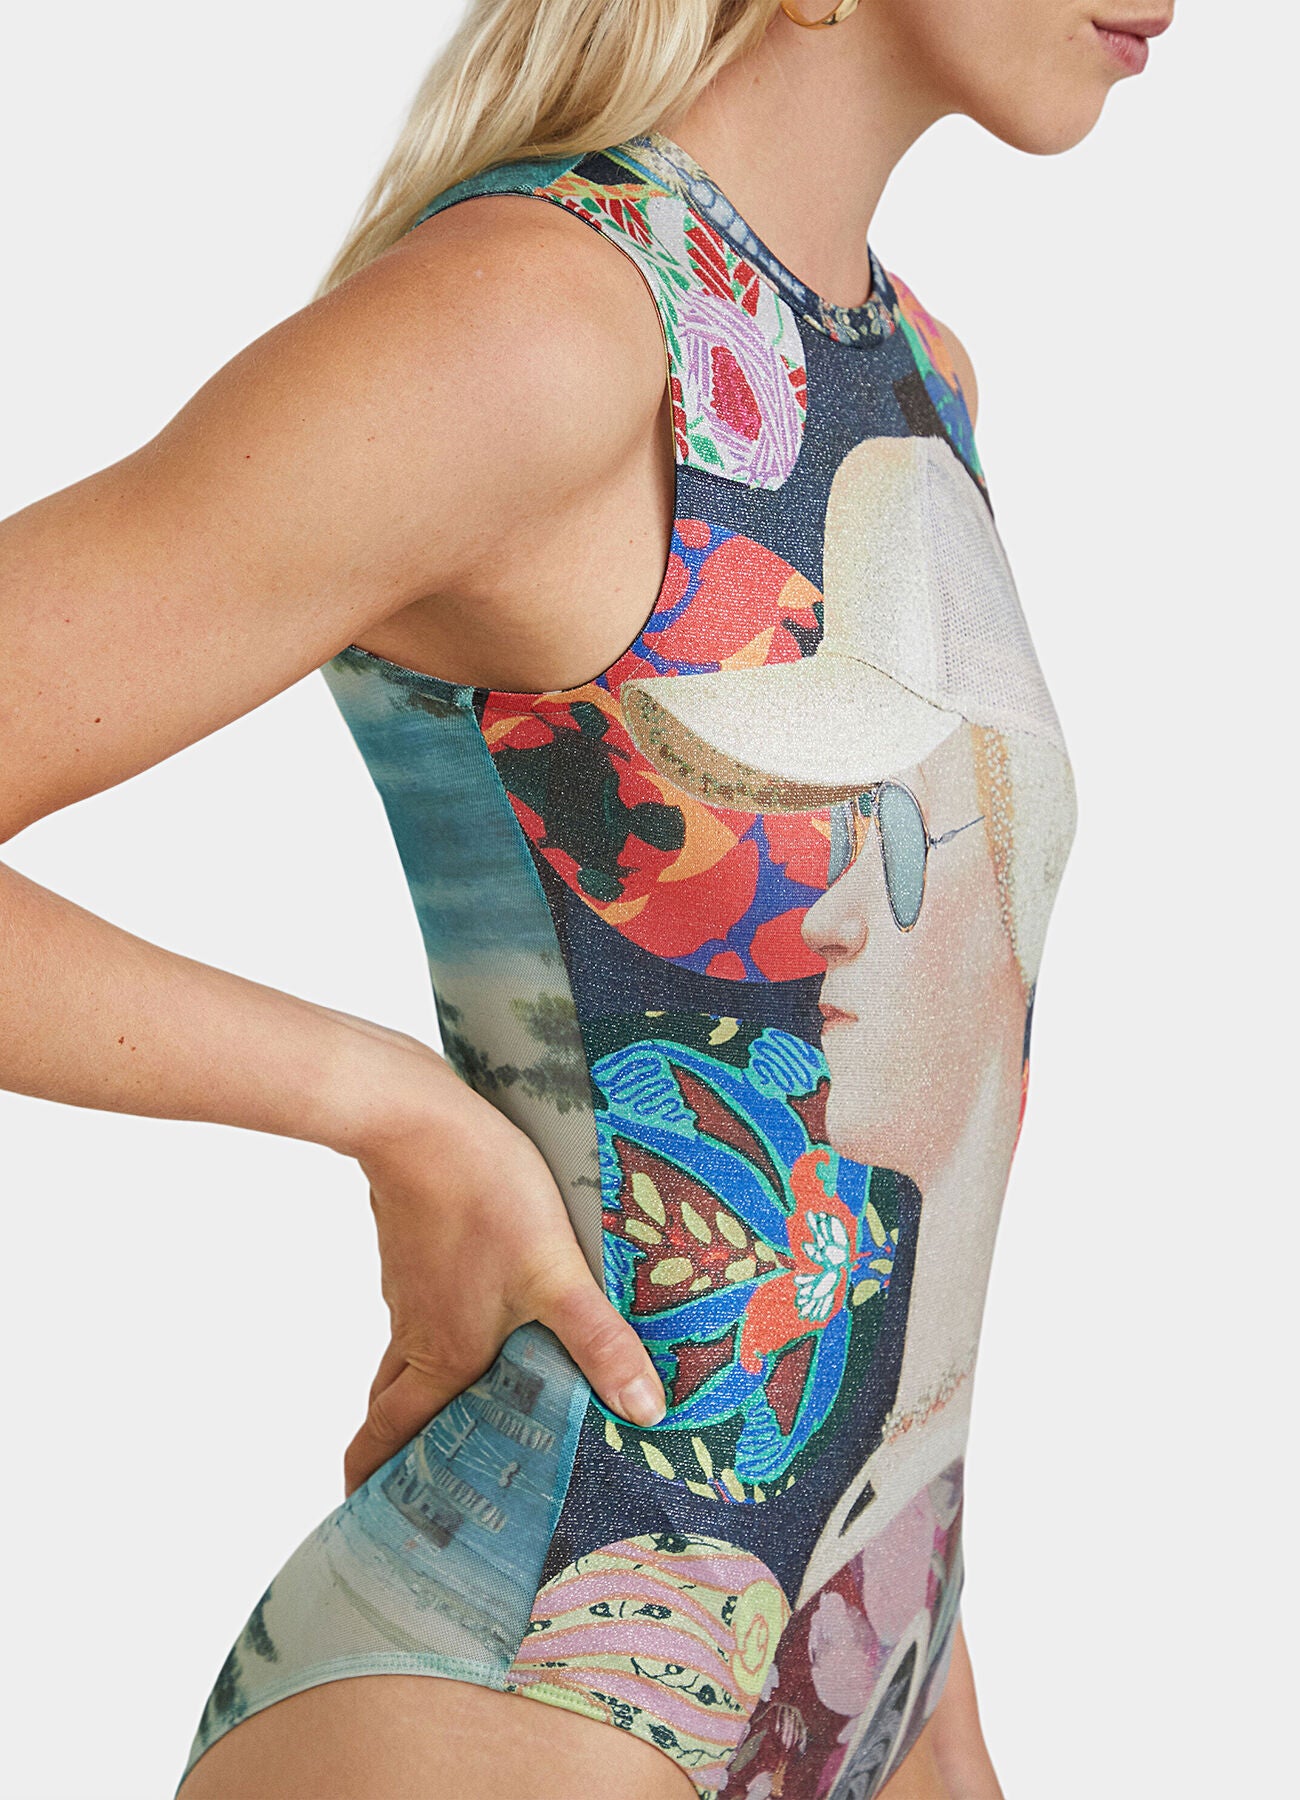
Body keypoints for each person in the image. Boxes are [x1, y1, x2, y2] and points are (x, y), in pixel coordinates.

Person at [0, 2, 1172, 1797]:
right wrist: (397, 1114)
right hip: (519, 1692)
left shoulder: (914, 380)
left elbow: (894, 1273)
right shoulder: (539, 329)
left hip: (852, 1689)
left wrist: (930, 1717)